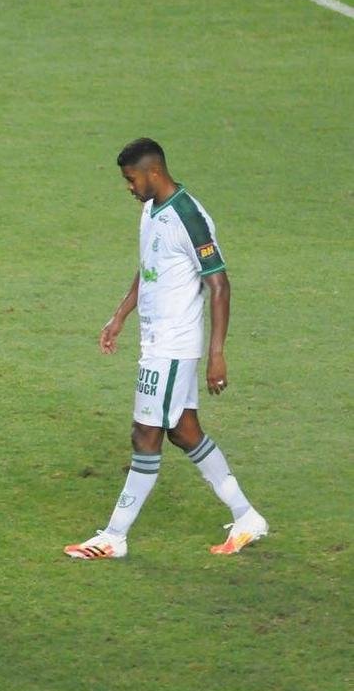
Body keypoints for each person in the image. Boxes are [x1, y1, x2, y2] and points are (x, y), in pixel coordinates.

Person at [65, 138, 268, 560]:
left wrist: (217, 353)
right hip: (155, 343)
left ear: (152, 172)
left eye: (130, 178)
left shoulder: (188, 216)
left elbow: (219, 283)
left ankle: (114, 536)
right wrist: (119, 315)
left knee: (146, 435)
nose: (128, 187)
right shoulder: (150, 210)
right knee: (183, 430)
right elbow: (149, 268)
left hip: (173, 347)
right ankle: (246, 516)